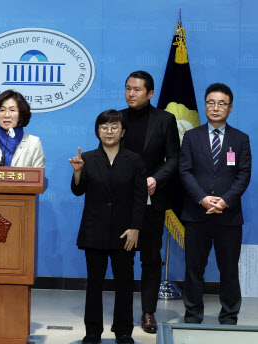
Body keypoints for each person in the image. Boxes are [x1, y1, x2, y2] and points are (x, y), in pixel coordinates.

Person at [69, 110, 147, 344]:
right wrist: (77, 172)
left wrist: (135, 227)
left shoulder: (134, 160)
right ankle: (92, 331)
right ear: (97, 131)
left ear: (123, 132)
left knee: (124, 282)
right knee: (94, 283)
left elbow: (140, 197)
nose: (109, 131)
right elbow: (77, 190)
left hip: (125, 232)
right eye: (104, 127)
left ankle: (123, 330)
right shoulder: (89, 158)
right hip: (95, 229)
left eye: (114, 127)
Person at [179, 83, 251, 325]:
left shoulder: (240, 139)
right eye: (211, 102)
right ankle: (193, 314)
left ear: (230, 108)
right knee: (193, 269)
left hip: (228, 215)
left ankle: (229, 315)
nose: (216, 107)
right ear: (205, 104)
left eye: (222, 103)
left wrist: (225, 201)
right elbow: (185, 171)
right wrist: (202, 198)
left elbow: (244, 175)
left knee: (229, 269)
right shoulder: (191, 136)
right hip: (196, 213)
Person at [120, 70, 180, 333]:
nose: (131, 94)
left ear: (150, 93)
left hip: (153, 200)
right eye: (128, 89)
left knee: (151, 258)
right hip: (121, 200)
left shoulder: (165, 119)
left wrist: (156, 178)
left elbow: (175, 159)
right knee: (123, 257)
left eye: (137, 90)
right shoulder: (117, 118)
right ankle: (122, 310)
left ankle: (148, 312)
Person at [0, 89, 44, 167]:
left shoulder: (33, 143)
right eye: (2, 110)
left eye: (12, 110)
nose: (7, 115)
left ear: (21, 114)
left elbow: (38, 176)